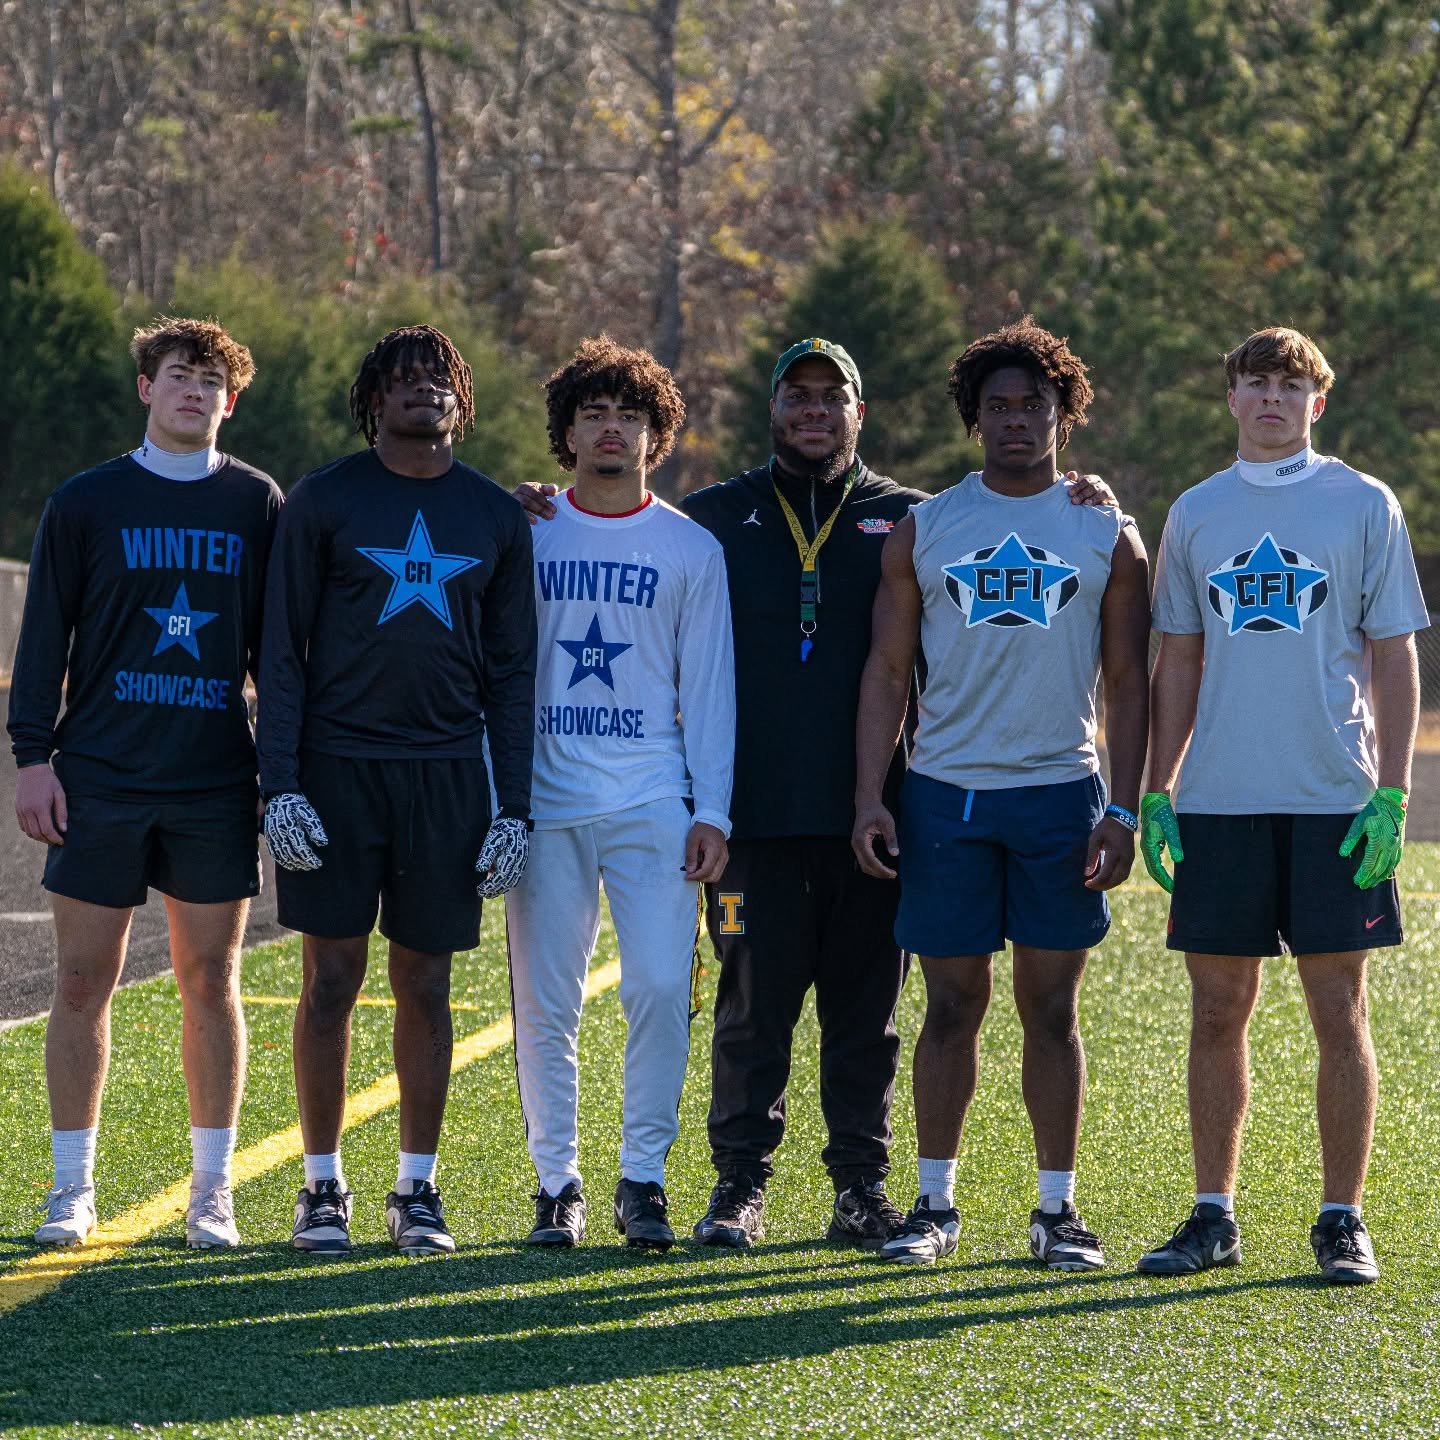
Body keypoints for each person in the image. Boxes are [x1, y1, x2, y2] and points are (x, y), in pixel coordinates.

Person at [516, 337, 1115, 1251]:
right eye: (795, 396)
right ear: (772, 410)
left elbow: (996, 543)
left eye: (831, 398)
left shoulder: (910, 517)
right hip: (749, 812)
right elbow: (617, 522)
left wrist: (1091, 493)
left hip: (875, 814)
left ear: (858, 414)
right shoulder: (712, 517)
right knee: (751, 1007)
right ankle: (738, 1186)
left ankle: (861, 1189)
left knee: (865, 1011)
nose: (812, 411)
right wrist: (539, 504)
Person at [853, 318, 1150, 1270]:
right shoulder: (927, 526)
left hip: (1061, 796)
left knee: (1051, 1011)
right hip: (945, 797)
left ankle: (1056, 1211)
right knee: (949, 1007)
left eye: (1035, 404)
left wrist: (1125, 808)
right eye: (999, 407)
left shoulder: (1106, 530)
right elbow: (886, 673)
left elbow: (1129, 685)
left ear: (1065, 414)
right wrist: (872, 795)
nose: (1017, 420)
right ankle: (933, 1206)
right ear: (973, 421)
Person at [1137, 327, 1425, 1285]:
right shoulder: (1196, 511)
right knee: (1217, 1011)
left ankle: (1342, 1218)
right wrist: (1157, 786)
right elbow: (1177, 654)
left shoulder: (1361, 502)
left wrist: (1393, 791)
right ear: (1230, 399)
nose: (1271, 399)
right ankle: (1212, 1212)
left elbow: (1393, 652)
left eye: (1290, 385)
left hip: (1334, 800)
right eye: (1255, 383)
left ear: (1318, 401)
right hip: (1219, 801)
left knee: (1338, 1010)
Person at [258, 324, 536, 1257]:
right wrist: (280, 785)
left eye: (440, 378)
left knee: (426, 981)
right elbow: (280, 654)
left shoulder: (495, 514)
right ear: (373, 400)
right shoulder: (323, 500)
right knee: (330, 977)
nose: (425, 391)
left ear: (462, 399)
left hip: (449, 775)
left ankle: (416, 1188)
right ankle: (321, 1186)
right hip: (337, 770)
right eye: (404, 379)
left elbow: (512, 674)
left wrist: (515, 805)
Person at [9, 317, 280, 1250]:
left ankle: (213, 1192)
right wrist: (32, 757)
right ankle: (71, 1189)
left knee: (212, 981)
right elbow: (44, 637)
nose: (193, 392)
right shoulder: (87, 501)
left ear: (231, 400)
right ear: (145, 388)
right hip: (102, 777)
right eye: (177, 376)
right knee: (83, 981)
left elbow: (277, 654)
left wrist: (275, 773)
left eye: (211, 381)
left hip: (213, 778)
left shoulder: (257, 501)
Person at [506, 337, 733, 1251]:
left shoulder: (689, 547)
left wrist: (712, 808)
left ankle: (642, 1179)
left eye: (629, 416)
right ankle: (555, 1182)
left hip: (652, 801)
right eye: (593, 414)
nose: (610, 430)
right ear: (566, 432)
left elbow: (710, 684)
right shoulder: (522, 528)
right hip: (546, 801)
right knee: (547, 1002)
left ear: (657, 434)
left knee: (655, 990)